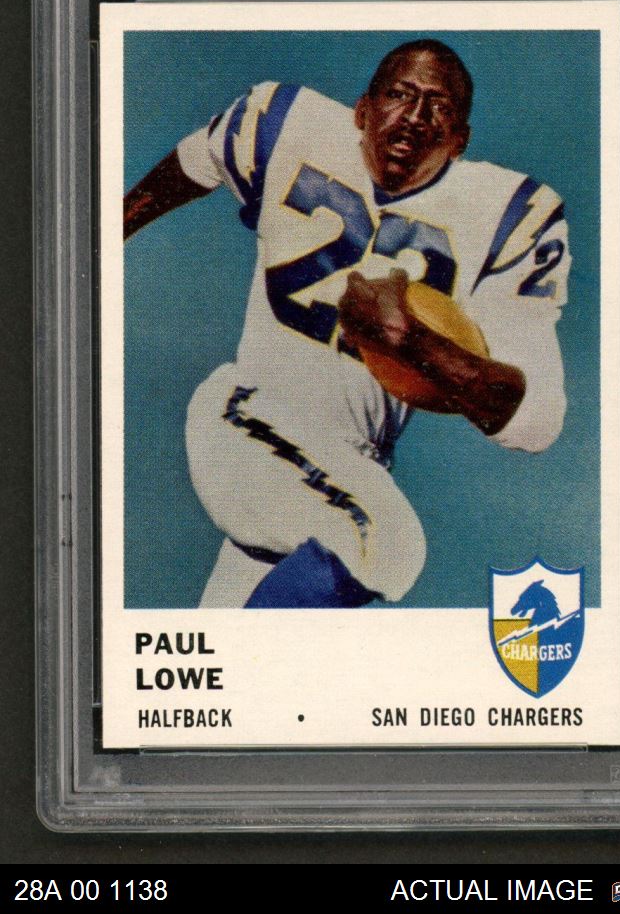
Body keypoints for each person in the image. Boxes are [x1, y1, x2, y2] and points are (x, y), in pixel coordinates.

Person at [124, 39, 570, 608]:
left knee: (242, 640)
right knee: (385, 545)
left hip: (343, 466)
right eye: (400, 94)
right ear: (362, 110)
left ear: (461, 140)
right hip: (251, 413)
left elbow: (536, 420)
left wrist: (413, 343)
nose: (415, 115)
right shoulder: (285, 122)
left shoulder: (508, 215)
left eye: (438, 106)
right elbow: (197, 159)